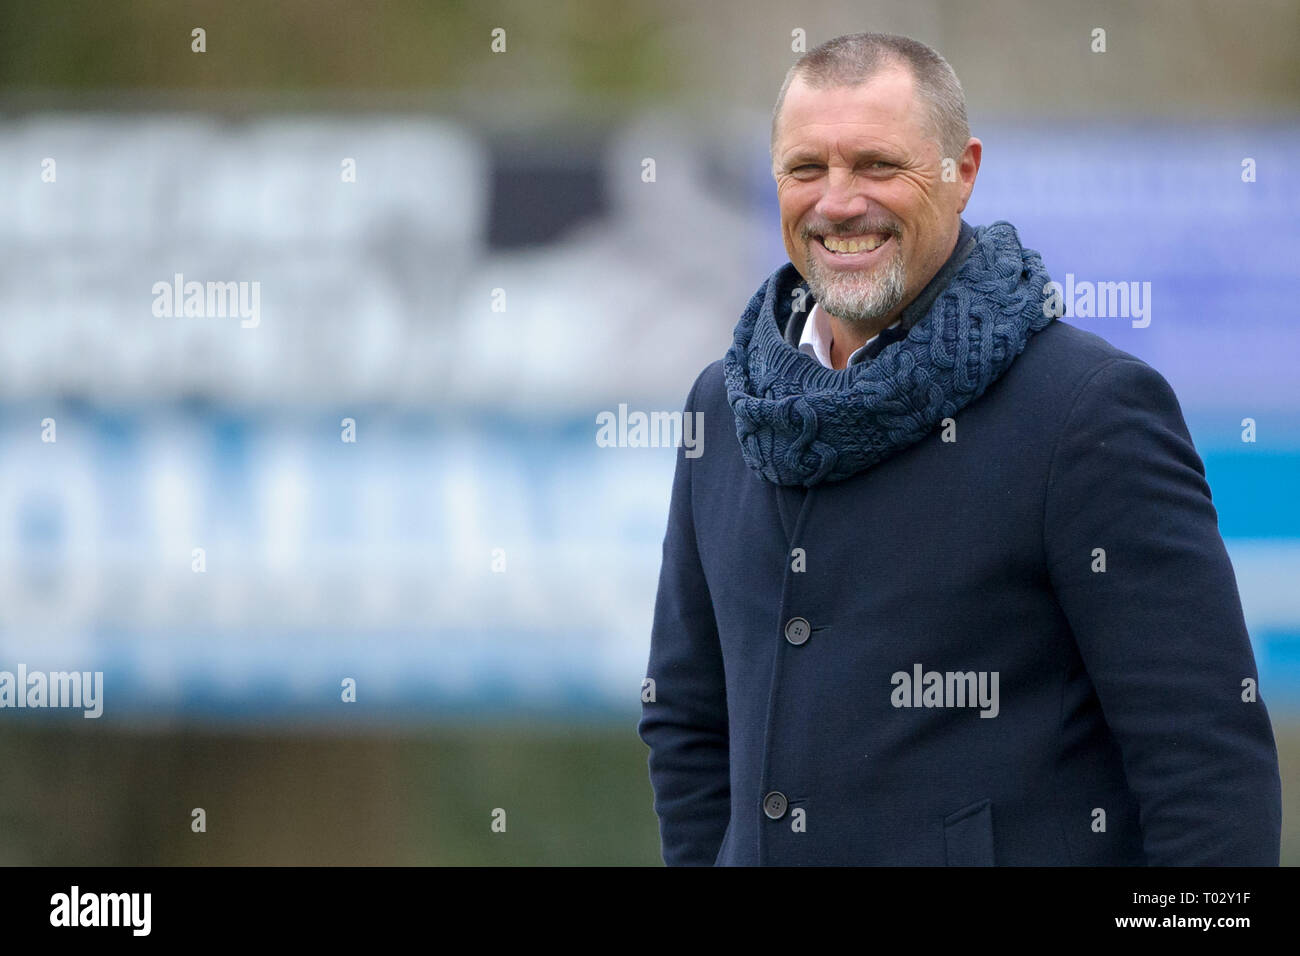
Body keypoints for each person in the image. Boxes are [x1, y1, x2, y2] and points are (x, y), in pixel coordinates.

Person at [636, 32, 1282, 865]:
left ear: (962, 171)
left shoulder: (1088, 411)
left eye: (876, 165)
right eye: (807, 169)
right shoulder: (720, 410)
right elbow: (687, 720)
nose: (838, 202)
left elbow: (1206, 764)